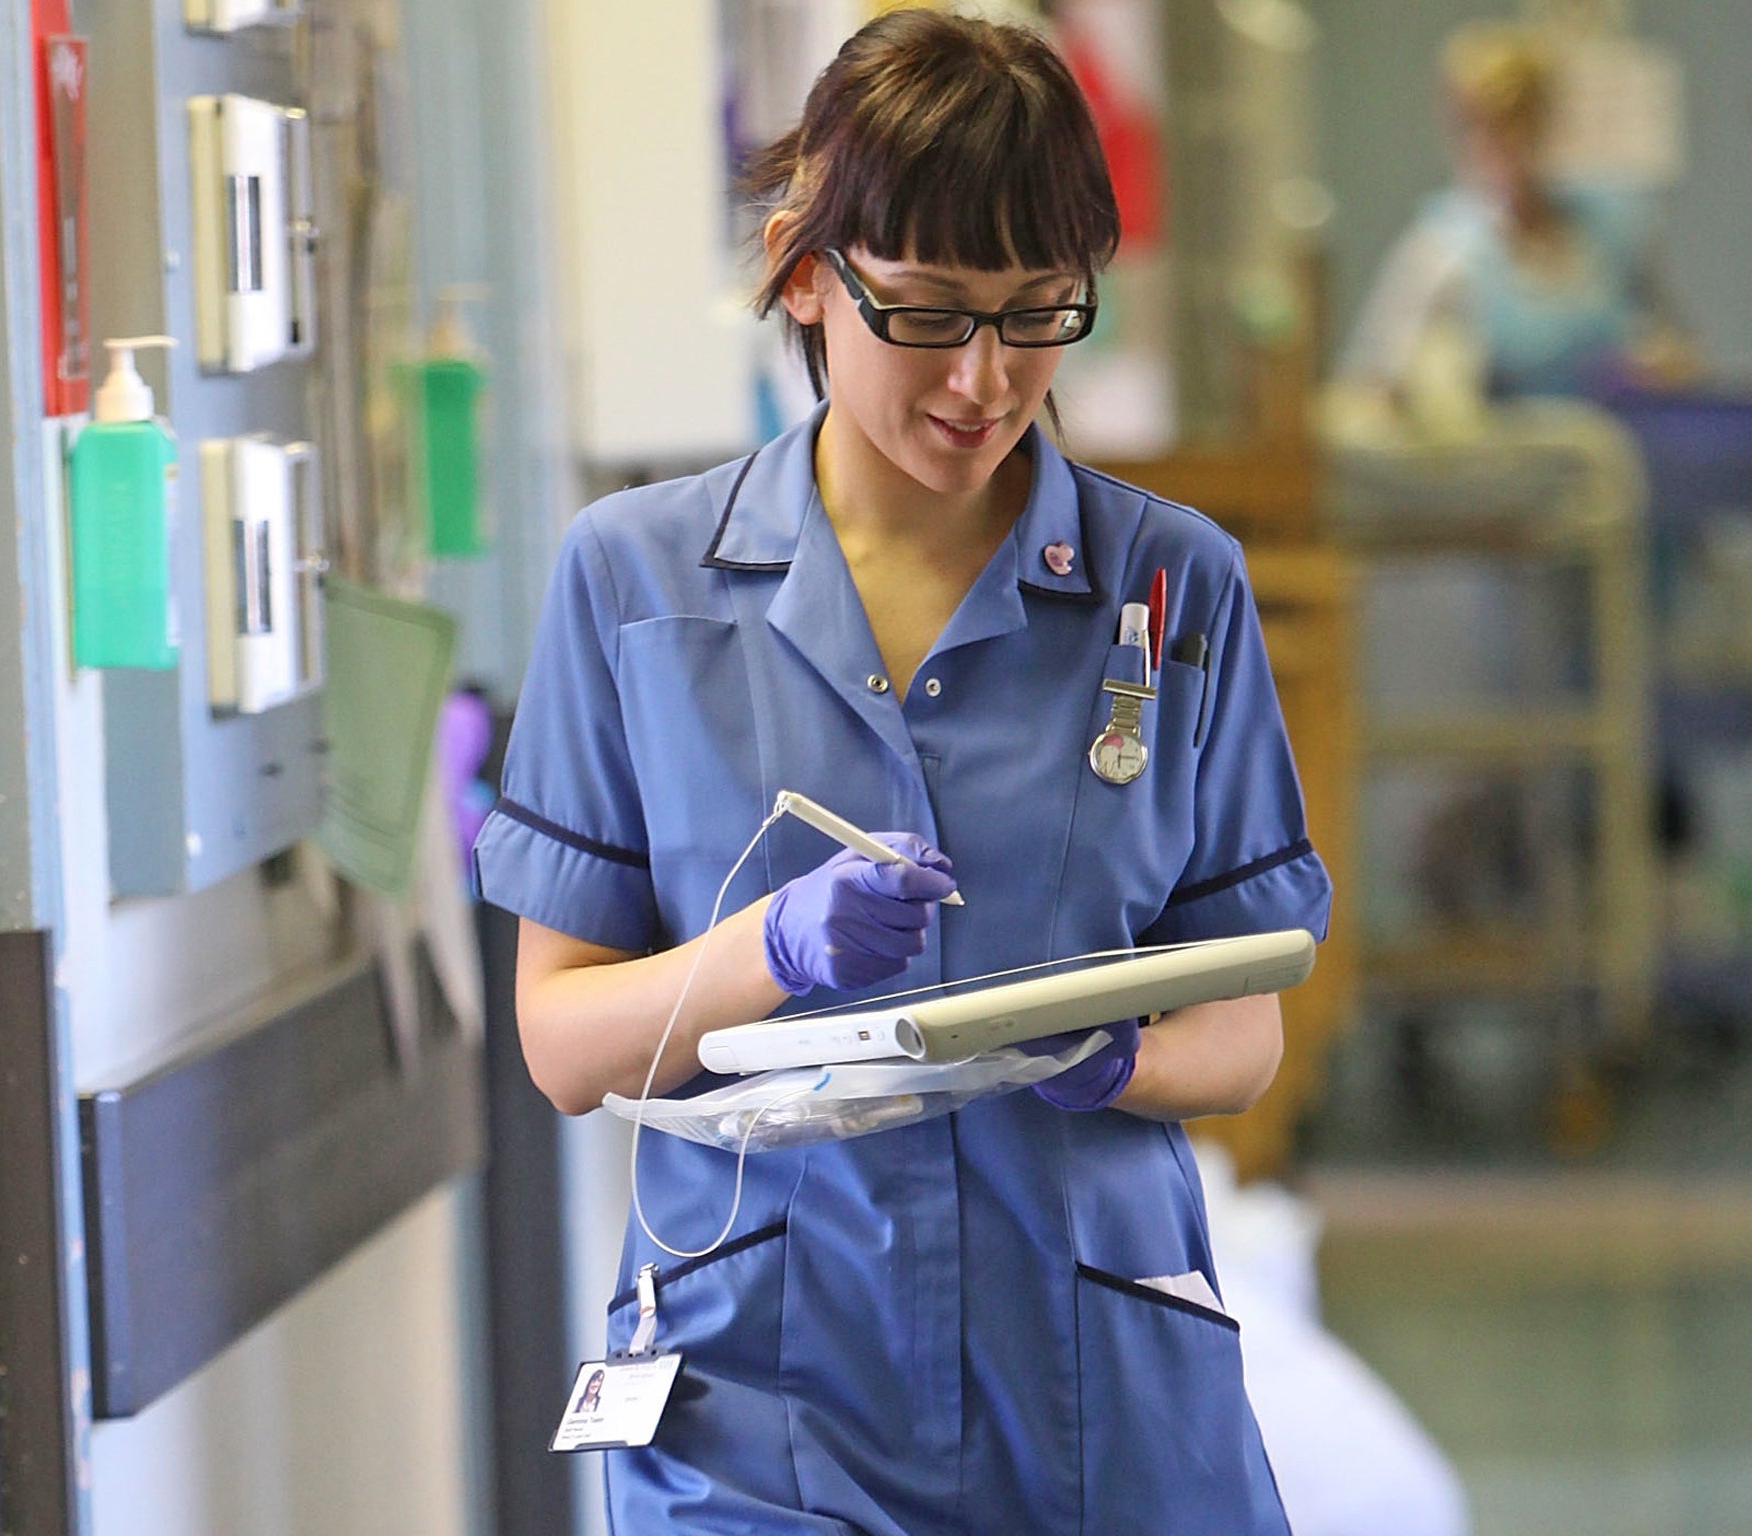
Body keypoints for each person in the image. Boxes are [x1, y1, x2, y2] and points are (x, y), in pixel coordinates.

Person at [473, 11, 1331, 1533]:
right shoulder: (639, 584)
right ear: (811, 271)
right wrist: (768, 953)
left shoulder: (1168, 591)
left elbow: (1243, 1030)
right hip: (757, 1399)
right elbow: (562, 1042)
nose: (985, 381)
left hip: (1092, 1391)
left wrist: (1112, 1057)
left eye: (1037, 312)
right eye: (928, 313)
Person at [1337, 21, 1691, 408]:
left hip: (1604, 455)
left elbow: (1680, 355)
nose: (1499, 146)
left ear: (1545, 122)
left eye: (1516, 124)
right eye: (1477, 127)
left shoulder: (1610, 227)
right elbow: (1371, 389)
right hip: (1499, 462)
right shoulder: (1442, 252)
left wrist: (1657, 369)